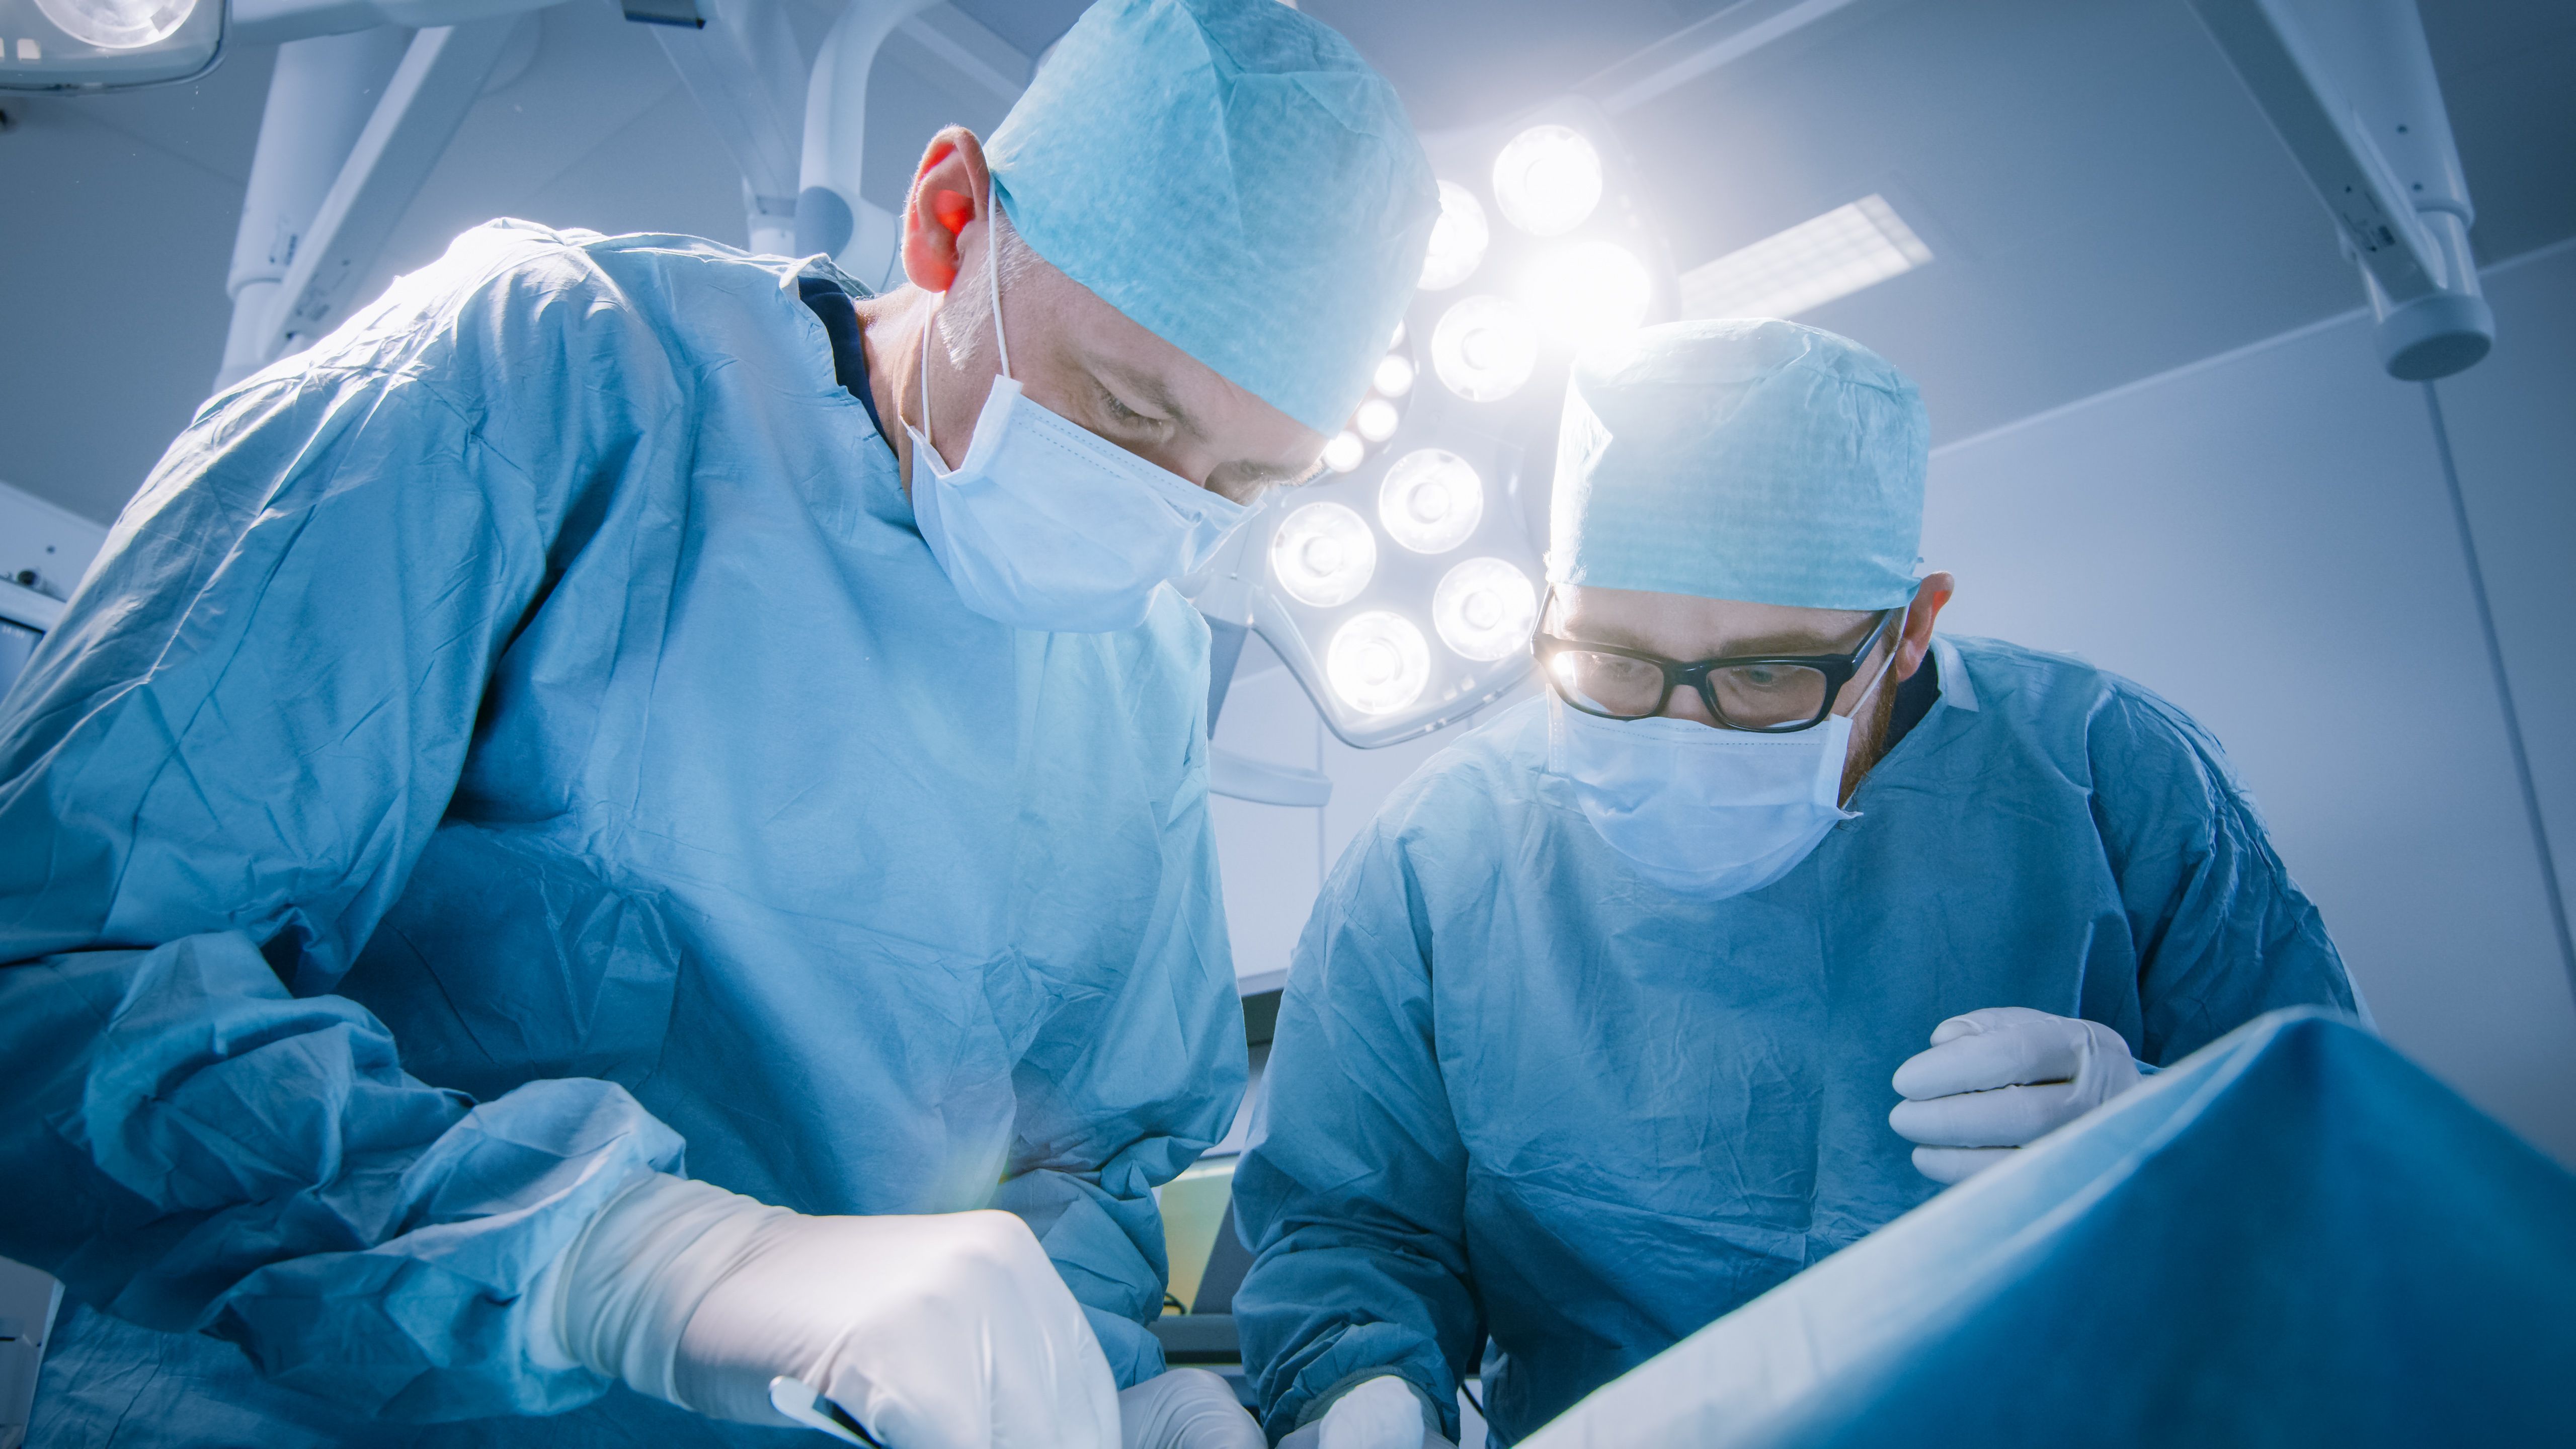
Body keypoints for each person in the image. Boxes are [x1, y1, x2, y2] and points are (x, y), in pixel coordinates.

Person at [0, 2, 1433, 1446]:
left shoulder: (1139, 679)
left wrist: (1112, 1386)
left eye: (1239, 483)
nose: (1162, 511)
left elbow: (1102, 1158)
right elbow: (57, 974)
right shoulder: (548, 368)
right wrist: (630, 1266)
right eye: (1128, 415)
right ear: (948, 224)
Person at [1228, 318, 2360, 1449]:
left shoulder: (2109, 775)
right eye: (1613, 661)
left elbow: (2338, 1153)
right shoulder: (1438, 856)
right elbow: (1351, 1230)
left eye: (1765, 673)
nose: (1678, 731)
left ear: (1909, 630)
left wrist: (2162, 1129)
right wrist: (1360, 1400)